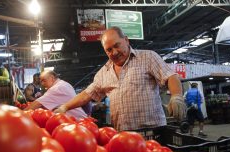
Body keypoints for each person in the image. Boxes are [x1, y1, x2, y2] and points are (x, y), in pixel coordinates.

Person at [54, 26, 186, 131]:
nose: (114, 52)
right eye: (109, 50)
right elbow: (86, 94)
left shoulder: (148, 57)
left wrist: (176, 96)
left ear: (126, 40)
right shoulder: (103, 73)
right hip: (123, 136)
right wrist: (64, 107)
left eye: (117, 45)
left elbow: (170, 76)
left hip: (154, 131)